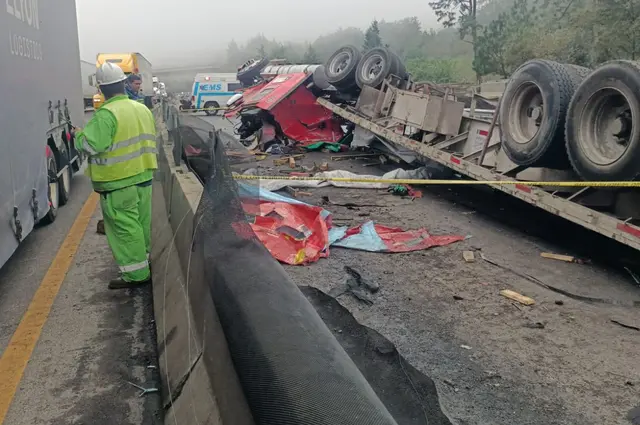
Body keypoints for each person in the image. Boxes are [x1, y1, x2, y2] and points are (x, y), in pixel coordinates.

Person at [72, 62, 157, 290]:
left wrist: (78, 137)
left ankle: (137, 275)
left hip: (119, 182)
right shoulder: (141, 108)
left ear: (101, 89)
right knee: (140, 224)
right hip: (144, 176)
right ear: (123, 83)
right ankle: (145, 262)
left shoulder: (106, 115)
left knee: (125, 229)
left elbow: (92, 145)